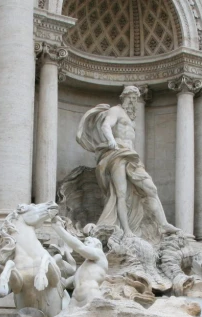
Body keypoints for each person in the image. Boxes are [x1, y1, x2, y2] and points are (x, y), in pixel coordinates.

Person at [76, 86, 178, 241]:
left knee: (151, 188)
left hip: (131, 156)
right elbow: (106, 125)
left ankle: (163, 224)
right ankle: (127, 230)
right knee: (121, 194)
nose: (133, 101)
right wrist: (111, 141)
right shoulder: (116, 111)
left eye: (135, 98)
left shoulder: (131, 119)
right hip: (117, 153)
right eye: (130, 97)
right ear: (123, 97)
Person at [52, 217, 108, 309]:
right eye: (85, 243)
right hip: (75, 298)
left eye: (88, 242)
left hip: (91, 294)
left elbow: (80, 247)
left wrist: (58, 228)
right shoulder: (84, 267)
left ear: (98, 245)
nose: (86, 245)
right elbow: (66, 282)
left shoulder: (100, 255)